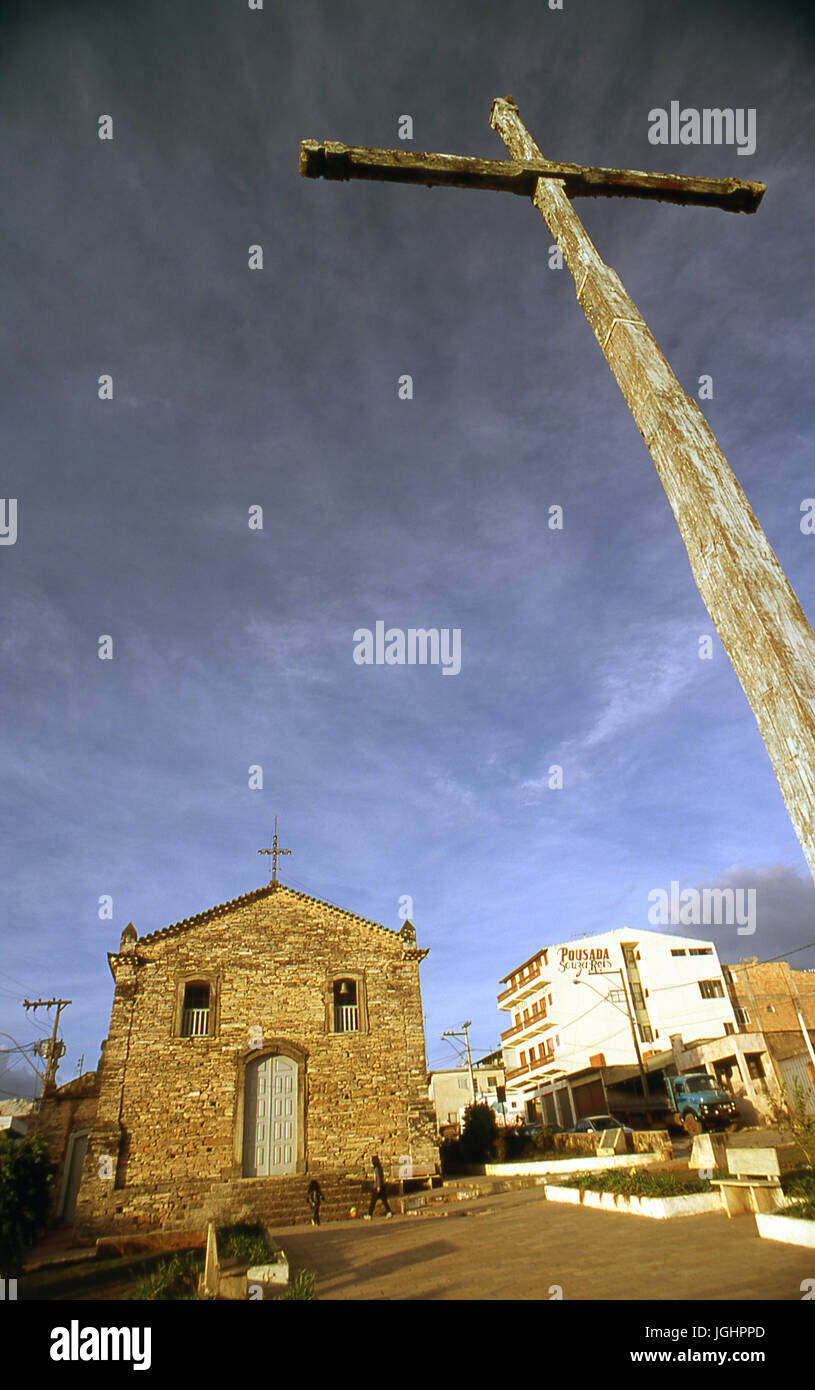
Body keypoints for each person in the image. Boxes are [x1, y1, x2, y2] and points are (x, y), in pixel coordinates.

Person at [364, 1154, 393, 1219]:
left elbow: (378, 1178)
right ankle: (389, 1212)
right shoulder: (379, 1167)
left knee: (373, 1202)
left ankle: (369, 1214)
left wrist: (378, 1187)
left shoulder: (377, 1168)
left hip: (378, 1187)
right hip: (381, 1186)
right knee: (384, 1200)